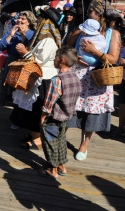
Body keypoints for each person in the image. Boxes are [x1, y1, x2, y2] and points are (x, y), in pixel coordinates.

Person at [66, 0, 121, 160]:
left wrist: (94, 52)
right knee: (70, 108)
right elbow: (66, 48)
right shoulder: (81, 30)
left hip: (97, 78)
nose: (86, 13)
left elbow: (113, 58)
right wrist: (75, 57)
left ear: (100, 14)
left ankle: (84, 145)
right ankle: (61, 138)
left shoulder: (113, 34)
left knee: (91, 112)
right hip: (77, 76)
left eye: (90, 11)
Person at [11, 8, 62, 149]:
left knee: (36, 110)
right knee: (32, 110)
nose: (38, 20)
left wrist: (25, 53)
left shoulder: (48, 41)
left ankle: (38, 139)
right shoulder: (42, 39)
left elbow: (39, 62)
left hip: (43, 79)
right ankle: (35, 135)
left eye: (41, 19)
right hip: (37, 78)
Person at [39, 47, 81, 180]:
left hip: (53, 117)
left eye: (56, 57)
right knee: (61, 140)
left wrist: (43, 116)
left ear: (61, 60)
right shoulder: (75, 77)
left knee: (51, 141)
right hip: (66, 116)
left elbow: (49, 101)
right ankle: (62, 166)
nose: (54, 59)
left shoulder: (57, 79)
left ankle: (53, 169)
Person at [0, 11, 36, 108]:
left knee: (19, 88)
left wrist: (23, 35)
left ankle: (17, 109)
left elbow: (30, 48)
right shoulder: (11, 31)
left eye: (23, 19)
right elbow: (1, 46)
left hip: (23, 63)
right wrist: (11, 34)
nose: (19, 20)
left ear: (29, 22)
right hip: (10, 62)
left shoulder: (32, 34)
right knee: (7, 88)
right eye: (19, 18)